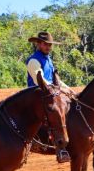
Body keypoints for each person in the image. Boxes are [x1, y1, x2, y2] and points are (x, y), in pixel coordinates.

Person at [26, 31, 73, 163]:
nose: (48, 47)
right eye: (45, 44)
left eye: (50, 45)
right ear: (39, 44)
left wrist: (69, 90)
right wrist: (58, 89)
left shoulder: (48, 59)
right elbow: (40, 80)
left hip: (51, 93)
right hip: (37, 95)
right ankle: (61, 149)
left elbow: (55, 80)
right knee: (55, 114)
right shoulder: (33, 60)